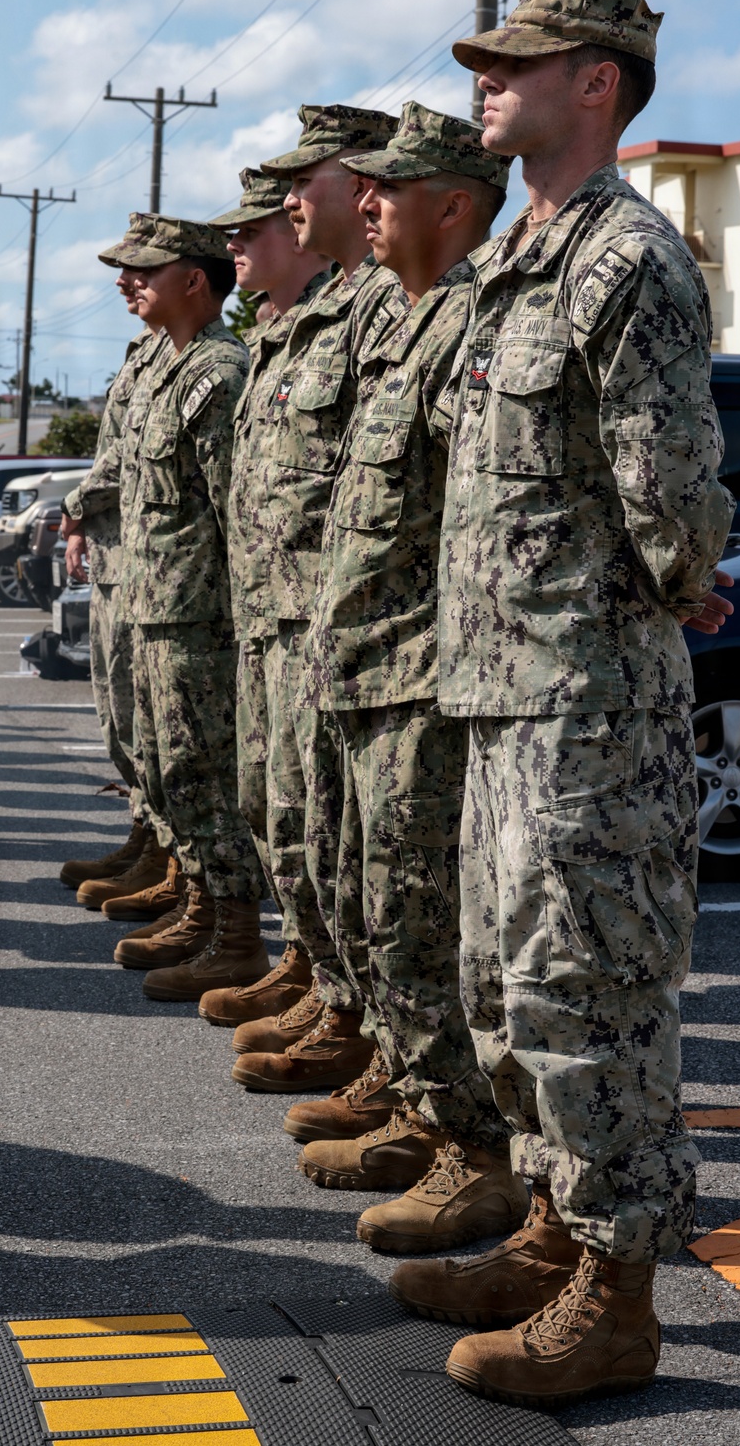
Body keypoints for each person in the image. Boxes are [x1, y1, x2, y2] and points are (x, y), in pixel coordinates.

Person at [387, 0, 736, 1410]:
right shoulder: (517, 260)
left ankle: (618, 1293)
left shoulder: (625, 260)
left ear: (597, 82)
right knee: (506, 988)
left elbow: (673, 485)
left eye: (515, 63)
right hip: (500, 687)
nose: (486, 80)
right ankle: (551, 1228)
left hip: (587, 702)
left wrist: (680, 574)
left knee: (587, 989)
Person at [289, 102, 530, 1259]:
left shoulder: (469, 320)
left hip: (423, 682)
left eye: (389, 186)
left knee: (420, 921)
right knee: (374, 906)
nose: (366, 200)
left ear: (454, 203)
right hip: (366, 669)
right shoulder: (403, 318)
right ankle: (415, 1102)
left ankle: (472, 1152)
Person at [223, 104, 411, 1098]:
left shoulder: (389, 304)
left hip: (345, 626)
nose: (291, 199)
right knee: (295, 821)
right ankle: (326, 984)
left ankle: (363, 1022)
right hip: (286, 612)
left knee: (351, 845)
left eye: (307, 179)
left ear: (365, 177)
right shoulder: (320, 313)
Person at [64, 214, 268, 1001]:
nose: (128, 281)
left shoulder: (218, 372)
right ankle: (202, 910)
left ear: (194, 280)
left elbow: (234, 514)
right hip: (156, 602)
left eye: (145, 270)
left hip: (200, 617)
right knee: (170, 770)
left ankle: (235, 935)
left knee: (205, 775)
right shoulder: (169, 366)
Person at [194, 167, 331, 1031]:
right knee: (272, 806)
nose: (236, 244)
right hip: (263, 614)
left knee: (320, 824)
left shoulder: (341, 327)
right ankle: (303, 962)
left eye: (254, 228)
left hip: (315, 624)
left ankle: (335, 992)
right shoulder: (275, 337)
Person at [59, 252, 180, 914]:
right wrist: (83, 521)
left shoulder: (198, 360)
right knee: (120, 720)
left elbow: (127, 462)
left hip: (153, 573)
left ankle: (166, 854)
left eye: (141, 268)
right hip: (119, 560)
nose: (123, 281)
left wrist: (75, 502)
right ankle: (144, 837)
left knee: (149, 727)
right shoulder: (145, 352)